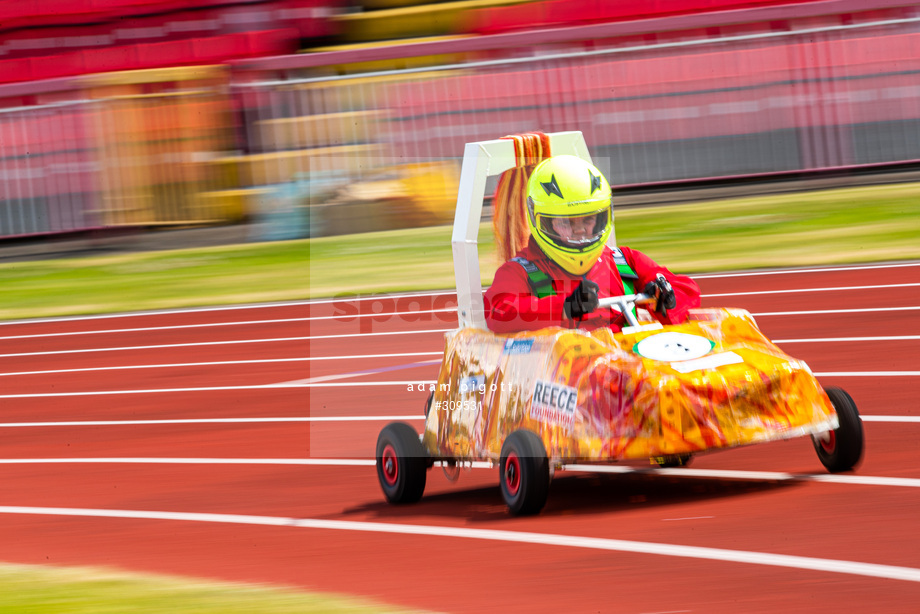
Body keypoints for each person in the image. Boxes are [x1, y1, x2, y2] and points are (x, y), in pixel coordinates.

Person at [484, 155, 700, 334]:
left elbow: (687, 290)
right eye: (567, 222)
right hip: (563, 375)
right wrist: (565, 308)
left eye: (587, 220)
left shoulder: (624, 261)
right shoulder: (520, 270)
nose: (579, 230)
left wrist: (666, 298)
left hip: (625, 369)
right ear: (542, 221)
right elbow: (499, 312)